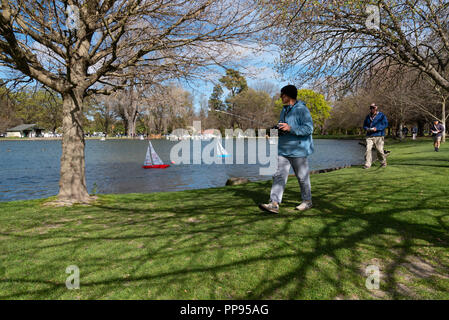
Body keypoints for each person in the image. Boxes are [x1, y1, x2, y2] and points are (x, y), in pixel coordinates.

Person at [259, 85, 314, 214]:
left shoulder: (302, 110)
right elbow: (281, 127)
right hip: (283, 150)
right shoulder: (284, 110)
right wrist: (272, 133)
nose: (280, 97)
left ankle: (307, 201)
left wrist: (291, 128)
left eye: (282, 95)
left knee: (302, 178)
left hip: (298, 150)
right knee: (278, 176)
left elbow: (309, 129)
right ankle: (274, 203)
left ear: (287, 95)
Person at [362, 103, 389, 169]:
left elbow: (385, 124)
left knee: (379, 150)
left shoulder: (382, 115)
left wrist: (377, 128)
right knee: (368, 149)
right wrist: (367, 129)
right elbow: (364, 125)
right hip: (369, 136)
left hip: (379, 135)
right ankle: (367, 164)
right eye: (371, 107)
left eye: (373, 107)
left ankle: (383, 162)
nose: (372, 109)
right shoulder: (367, 116)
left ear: (376, 108)